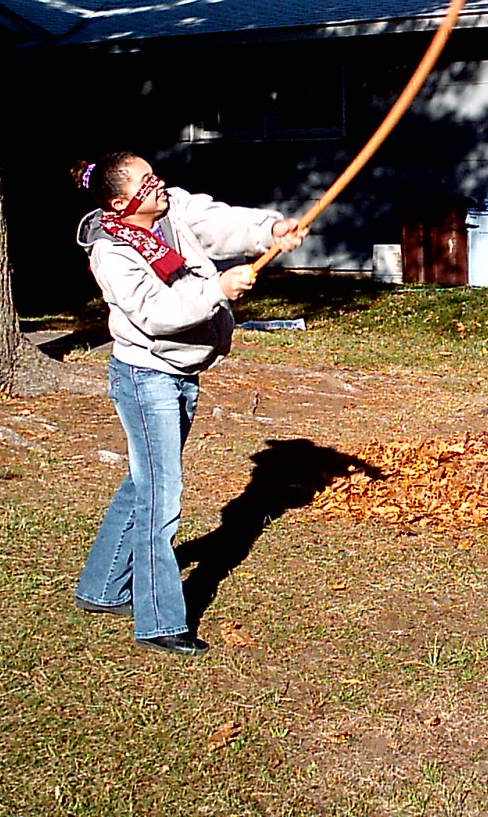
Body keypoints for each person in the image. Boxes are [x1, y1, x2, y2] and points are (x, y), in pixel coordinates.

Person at [71, 152, 304, 656]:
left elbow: (219, 223)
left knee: (145, 481)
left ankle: (101, 588)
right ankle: (159, 621)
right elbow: (158, 314)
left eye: (154, 174)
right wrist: (217, 288)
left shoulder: (172, 210)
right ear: (119, 202)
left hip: (182, 372)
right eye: (145, 181)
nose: (158, 184)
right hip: (146, 377)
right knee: (161, 495)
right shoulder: (112, 251)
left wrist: (272, 230)